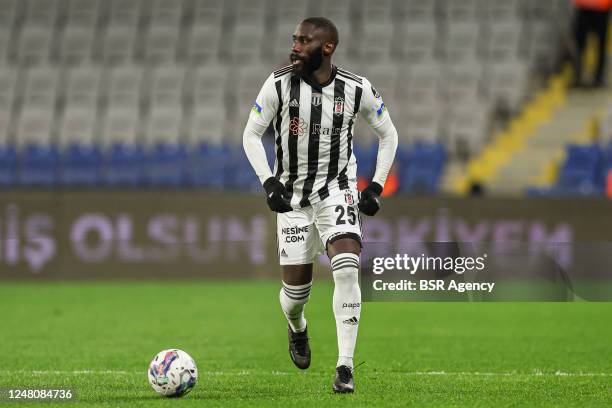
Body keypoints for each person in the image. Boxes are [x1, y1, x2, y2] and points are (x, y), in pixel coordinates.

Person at [242, 17, 398, 393]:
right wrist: (269, 182)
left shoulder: (356, 88)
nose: (294, 46)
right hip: (293, 199)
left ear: (326, 47)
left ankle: (345, 367)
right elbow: (251, 134)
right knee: (296, 297)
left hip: (336, 189)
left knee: (347, 268)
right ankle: (297, 327)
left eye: (303, 41)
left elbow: (388, 134)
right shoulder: (277, 84)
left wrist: (375, 185)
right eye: (294, 39)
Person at [573, 0, 612, 87]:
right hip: (585, 7)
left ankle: (598, 77)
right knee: (580, 45)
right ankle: (578, 75)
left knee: (599, 45)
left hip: (601, 8)